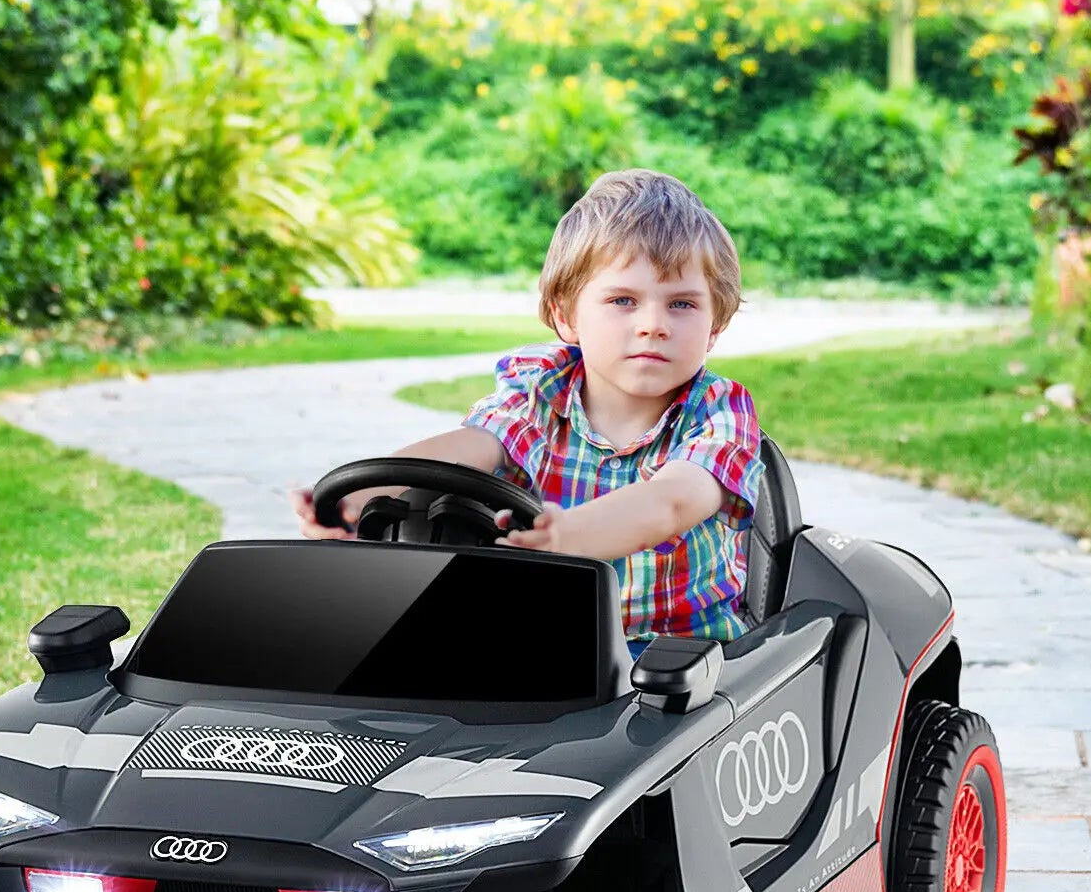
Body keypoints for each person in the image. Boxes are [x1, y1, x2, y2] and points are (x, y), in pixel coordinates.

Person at [288, 169, 765, 660]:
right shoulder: (539, 389)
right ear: (566, 315)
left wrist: (567, 538)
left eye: (682, 304)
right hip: (538, 639)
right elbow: (471, 446)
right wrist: (357, 496)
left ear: (715, 326)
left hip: (678, 657)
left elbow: (672, 503)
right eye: (623, 300)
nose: (653, 325)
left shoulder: (718, 411)